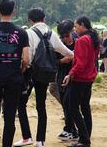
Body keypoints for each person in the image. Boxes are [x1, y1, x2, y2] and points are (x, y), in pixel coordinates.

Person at [13, 8, 73, 147]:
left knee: (21, 104)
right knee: (41, 106)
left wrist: (22, 71)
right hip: (45, 74)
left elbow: (25, 58)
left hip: (29, 73)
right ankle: (41, 140)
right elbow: (67, 52)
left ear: (30, 20)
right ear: (44, 18)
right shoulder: (52, 34)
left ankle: (27, 137)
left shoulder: (28, 33)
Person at [0, 0, 29, 147]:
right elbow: (26, 59)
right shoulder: (22, 32)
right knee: (9, 119)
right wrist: (20, 67)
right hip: (14, 79)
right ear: (13, 12)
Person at [62, 16, 100, 147]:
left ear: (82, 25)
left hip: (80, 78)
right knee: (84, 107)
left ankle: (84, 139)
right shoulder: (93, 38)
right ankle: (85, 136)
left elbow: (80, 63)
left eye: (76, 25)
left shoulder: (82, 40)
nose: (74, 28)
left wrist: (70, 74)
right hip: (89, 77)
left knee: (72, 107)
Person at [55, 19, 78, 142]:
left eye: (67, 35)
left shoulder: (79, 43)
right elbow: (54, 62)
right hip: (61, 77)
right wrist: (63, 60)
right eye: (62, 37)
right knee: (65, 104)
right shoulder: (59, 46)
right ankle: (70, 129)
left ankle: (72, 129)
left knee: (71, 105)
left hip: (75, 78)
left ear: (72, 32)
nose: (65, 39)